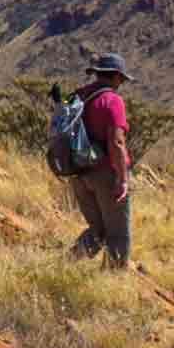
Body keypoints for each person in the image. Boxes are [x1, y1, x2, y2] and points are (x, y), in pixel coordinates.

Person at [67, 53, 134, 268]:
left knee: (98, 231)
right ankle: (114, 287)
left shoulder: (78, 96)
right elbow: (117, 143)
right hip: (105, 174)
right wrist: (122, 179)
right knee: (118, 235)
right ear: (115, 76)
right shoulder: (112, 101)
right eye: (121, 79)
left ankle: (64, 266)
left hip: (78, 173)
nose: (121, 83)